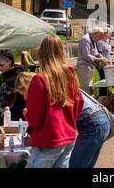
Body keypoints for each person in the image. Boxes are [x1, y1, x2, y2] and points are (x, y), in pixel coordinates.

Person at [15, 71, 110, 168]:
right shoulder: (54, 83)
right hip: (98, 119)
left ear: (29, 86)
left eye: (24, 93)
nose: (25, 98)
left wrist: (29, 115)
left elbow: (47, 119)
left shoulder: (43, 87)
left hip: (91, 121)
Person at [24, 34, 84, 168]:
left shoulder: (39, 79)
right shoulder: (69, 74)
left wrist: (27, 114)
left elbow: (35, 116)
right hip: (68, 134)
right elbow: (79, 103)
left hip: (49, 137)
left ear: (41, 53)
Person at [76, 27, 112, 94]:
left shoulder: (93, 40)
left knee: (89, 87)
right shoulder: (86, 39)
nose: (100, 39)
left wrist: (104, 59)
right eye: (100, 36)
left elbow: (96, 53)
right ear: (95, 33)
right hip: (84, 66)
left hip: (89, 66)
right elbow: (86, 56)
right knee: (86, 88)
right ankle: (85, 104)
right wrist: (100, 60)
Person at [0, 51, 25, 123]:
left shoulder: (18, 74)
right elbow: (3, 94)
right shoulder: (3, 75)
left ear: (10, 62)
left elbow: (20, 93)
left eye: (2, 65)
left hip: (17, 111)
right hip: (5, 111)